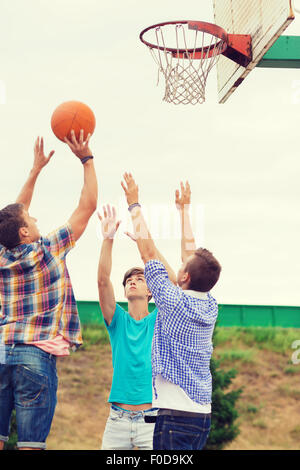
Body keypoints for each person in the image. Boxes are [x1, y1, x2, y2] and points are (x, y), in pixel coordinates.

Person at [0, 130, 98, 450]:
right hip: (35, 355)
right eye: (31, 218)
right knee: (30, 445)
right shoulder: (48, 249)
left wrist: (34, 171)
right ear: (26, 232)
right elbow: (87, 207)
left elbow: (13, 216)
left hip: (1, 349)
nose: (35, 215)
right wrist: (86, 159)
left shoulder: (1, 255)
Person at [121, 173, 221, 451]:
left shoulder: (173, 302)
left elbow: (149, 255)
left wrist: (134, 206)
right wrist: (184, 211)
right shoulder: (209, 305)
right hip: (202, 415)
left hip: (174, 417)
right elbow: (189, 257)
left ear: (185, 277)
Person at [97, 204, 176, 450]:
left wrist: (144, 245)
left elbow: (173, 284)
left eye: (139, 279)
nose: (132, 282)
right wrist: (108, 238)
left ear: (150, 291)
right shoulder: (117, 320)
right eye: (129, 280)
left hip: (151, 420)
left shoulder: (159, 319)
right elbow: (102, 281)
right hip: (117, 420)